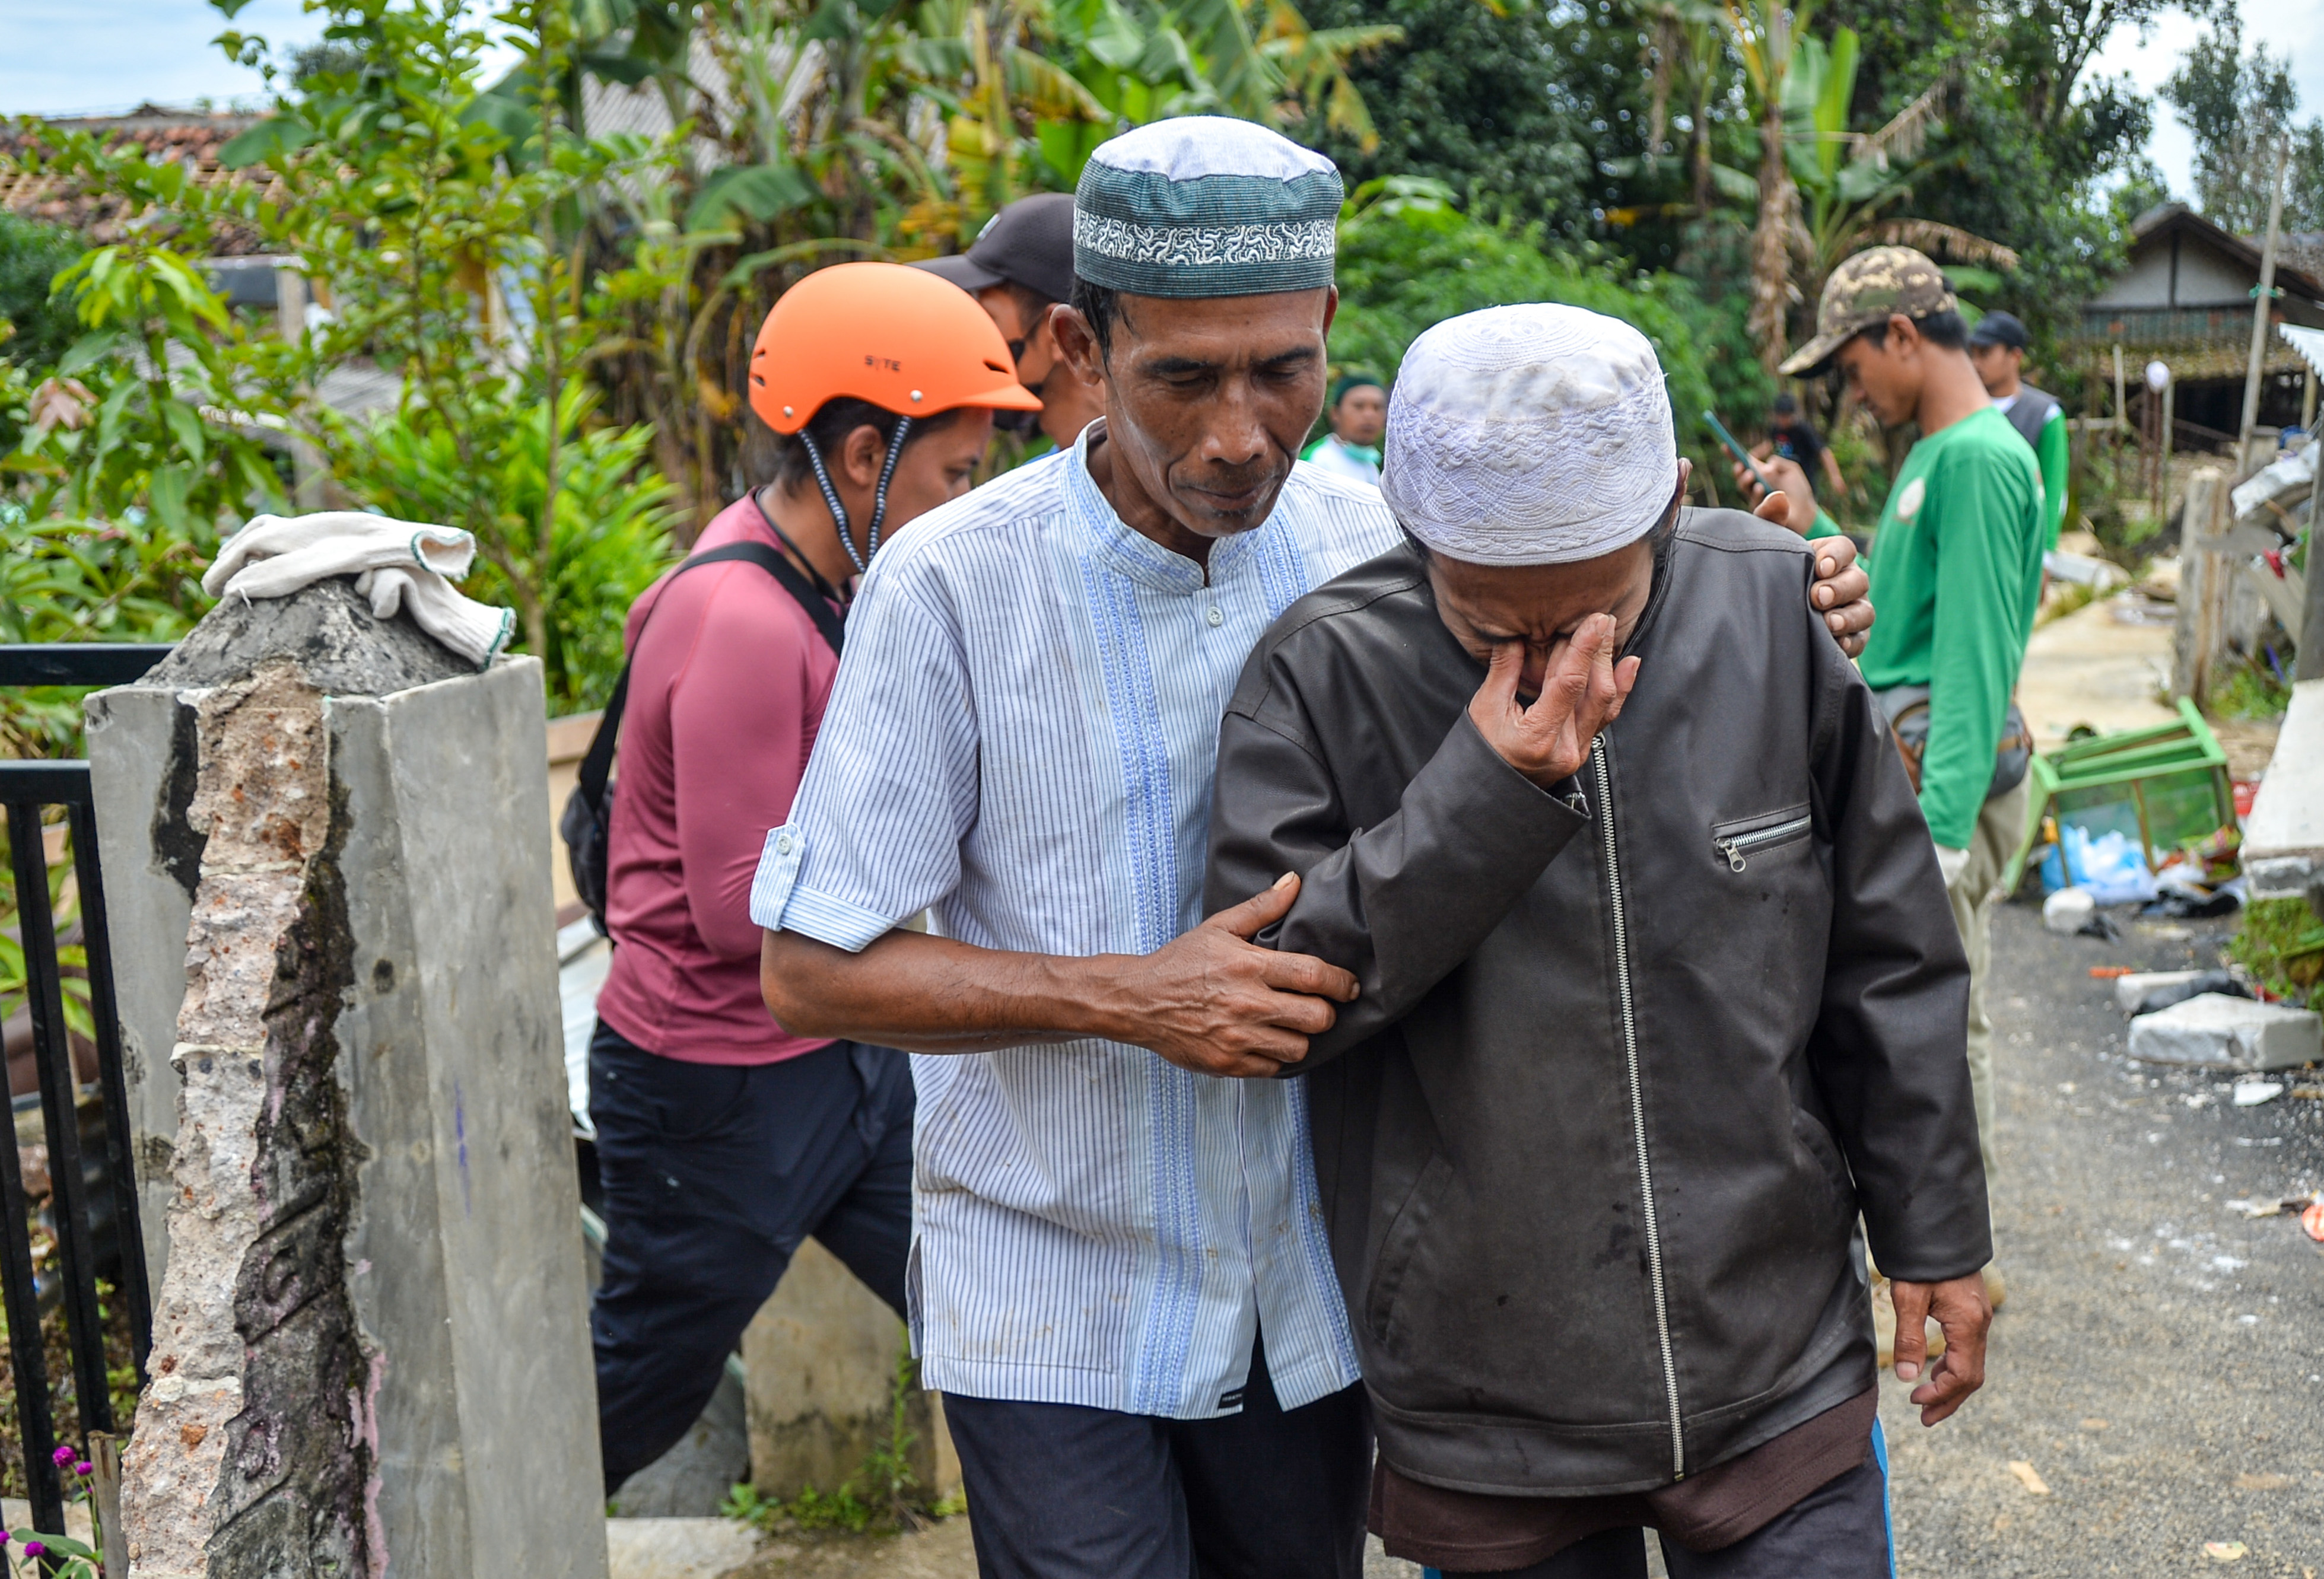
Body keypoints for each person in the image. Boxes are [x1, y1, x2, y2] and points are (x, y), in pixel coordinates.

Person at [748, 119, 1877, 1579]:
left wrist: (1783, 591)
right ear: (1084, 350)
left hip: (1314, 1293)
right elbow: (806, 970)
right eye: (1181, 379)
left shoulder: (1382, 546)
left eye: (1279, 372)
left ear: (1330, 330)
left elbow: (1609, 599)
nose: (1236, 434)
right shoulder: (949, 586)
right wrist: (1124, 994)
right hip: (1053, 1295)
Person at [1205, 302, 1992, 1579]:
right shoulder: (1318, 673)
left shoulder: (1770, 611)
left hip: (1772, 1360)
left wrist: (1934, 1232)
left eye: (1599, 613)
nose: (1562, 661)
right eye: (1491, 625)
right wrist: (1479, 792)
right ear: (1413, 530)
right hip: (1485, 1399)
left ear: (1669, 507)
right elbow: (1269, 1003)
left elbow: (1886, 957)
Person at [587, 262, 1038, 1494]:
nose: (967, 503)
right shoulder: (741, 616)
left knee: (988, 1297)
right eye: (954, 476)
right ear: (856, 460)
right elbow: (743, 911)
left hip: (830, 1064)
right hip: (714, 1090)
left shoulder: (814, 581)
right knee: (639, 1385)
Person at [1777, 249, 2053, 1309]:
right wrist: (1810, 527)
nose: (1853, 393)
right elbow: (1896, 624)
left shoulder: (1979, 458)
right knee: (1923, 1017)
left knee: (1942, 1021)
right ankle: (1935, 1245)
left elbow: (1976, 656)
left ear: (1901, 335)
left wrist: (1936, 830)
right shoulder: (1939, 452)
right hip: (1911, 769)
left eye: (1853, 366)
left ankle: (1950, 1261)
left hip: (1945, 781)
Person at [915, 192, 1105, 447]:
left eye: (989, 318)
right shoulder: (1044, 478)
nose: (973, 334)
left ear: (1064, 336)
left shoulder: (1157, 483)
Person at [1968, 310, 2069, 539]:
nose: (1976, 363)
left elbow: (2053, 493)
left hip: (2019, 540)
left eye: (1985, 353)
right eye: (1973, 354)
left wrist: (2046, 556)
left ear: (2015, 356)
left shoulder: (2045, 414)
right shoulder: (1960, 408)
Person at [1753, 391, 1846, 498]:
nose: (1782, 420)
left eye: (1786, 416)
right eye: (1780, 416)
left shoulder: (1803, 431)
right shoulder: (1775, 430)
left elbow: (1824, 452)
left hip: (1805, 486)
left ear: (1792, 415)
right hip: (1783, 487)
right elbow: (1768, 446)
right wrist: (1752, 457)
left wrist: (1835, 477)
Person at [1302, 372, 1386, 485]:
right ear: (1335, 413)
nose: (1369, 415)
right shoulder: (1315, 461)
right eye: (1359, 406)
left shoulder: (1370, 464)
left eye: (1377, 408)